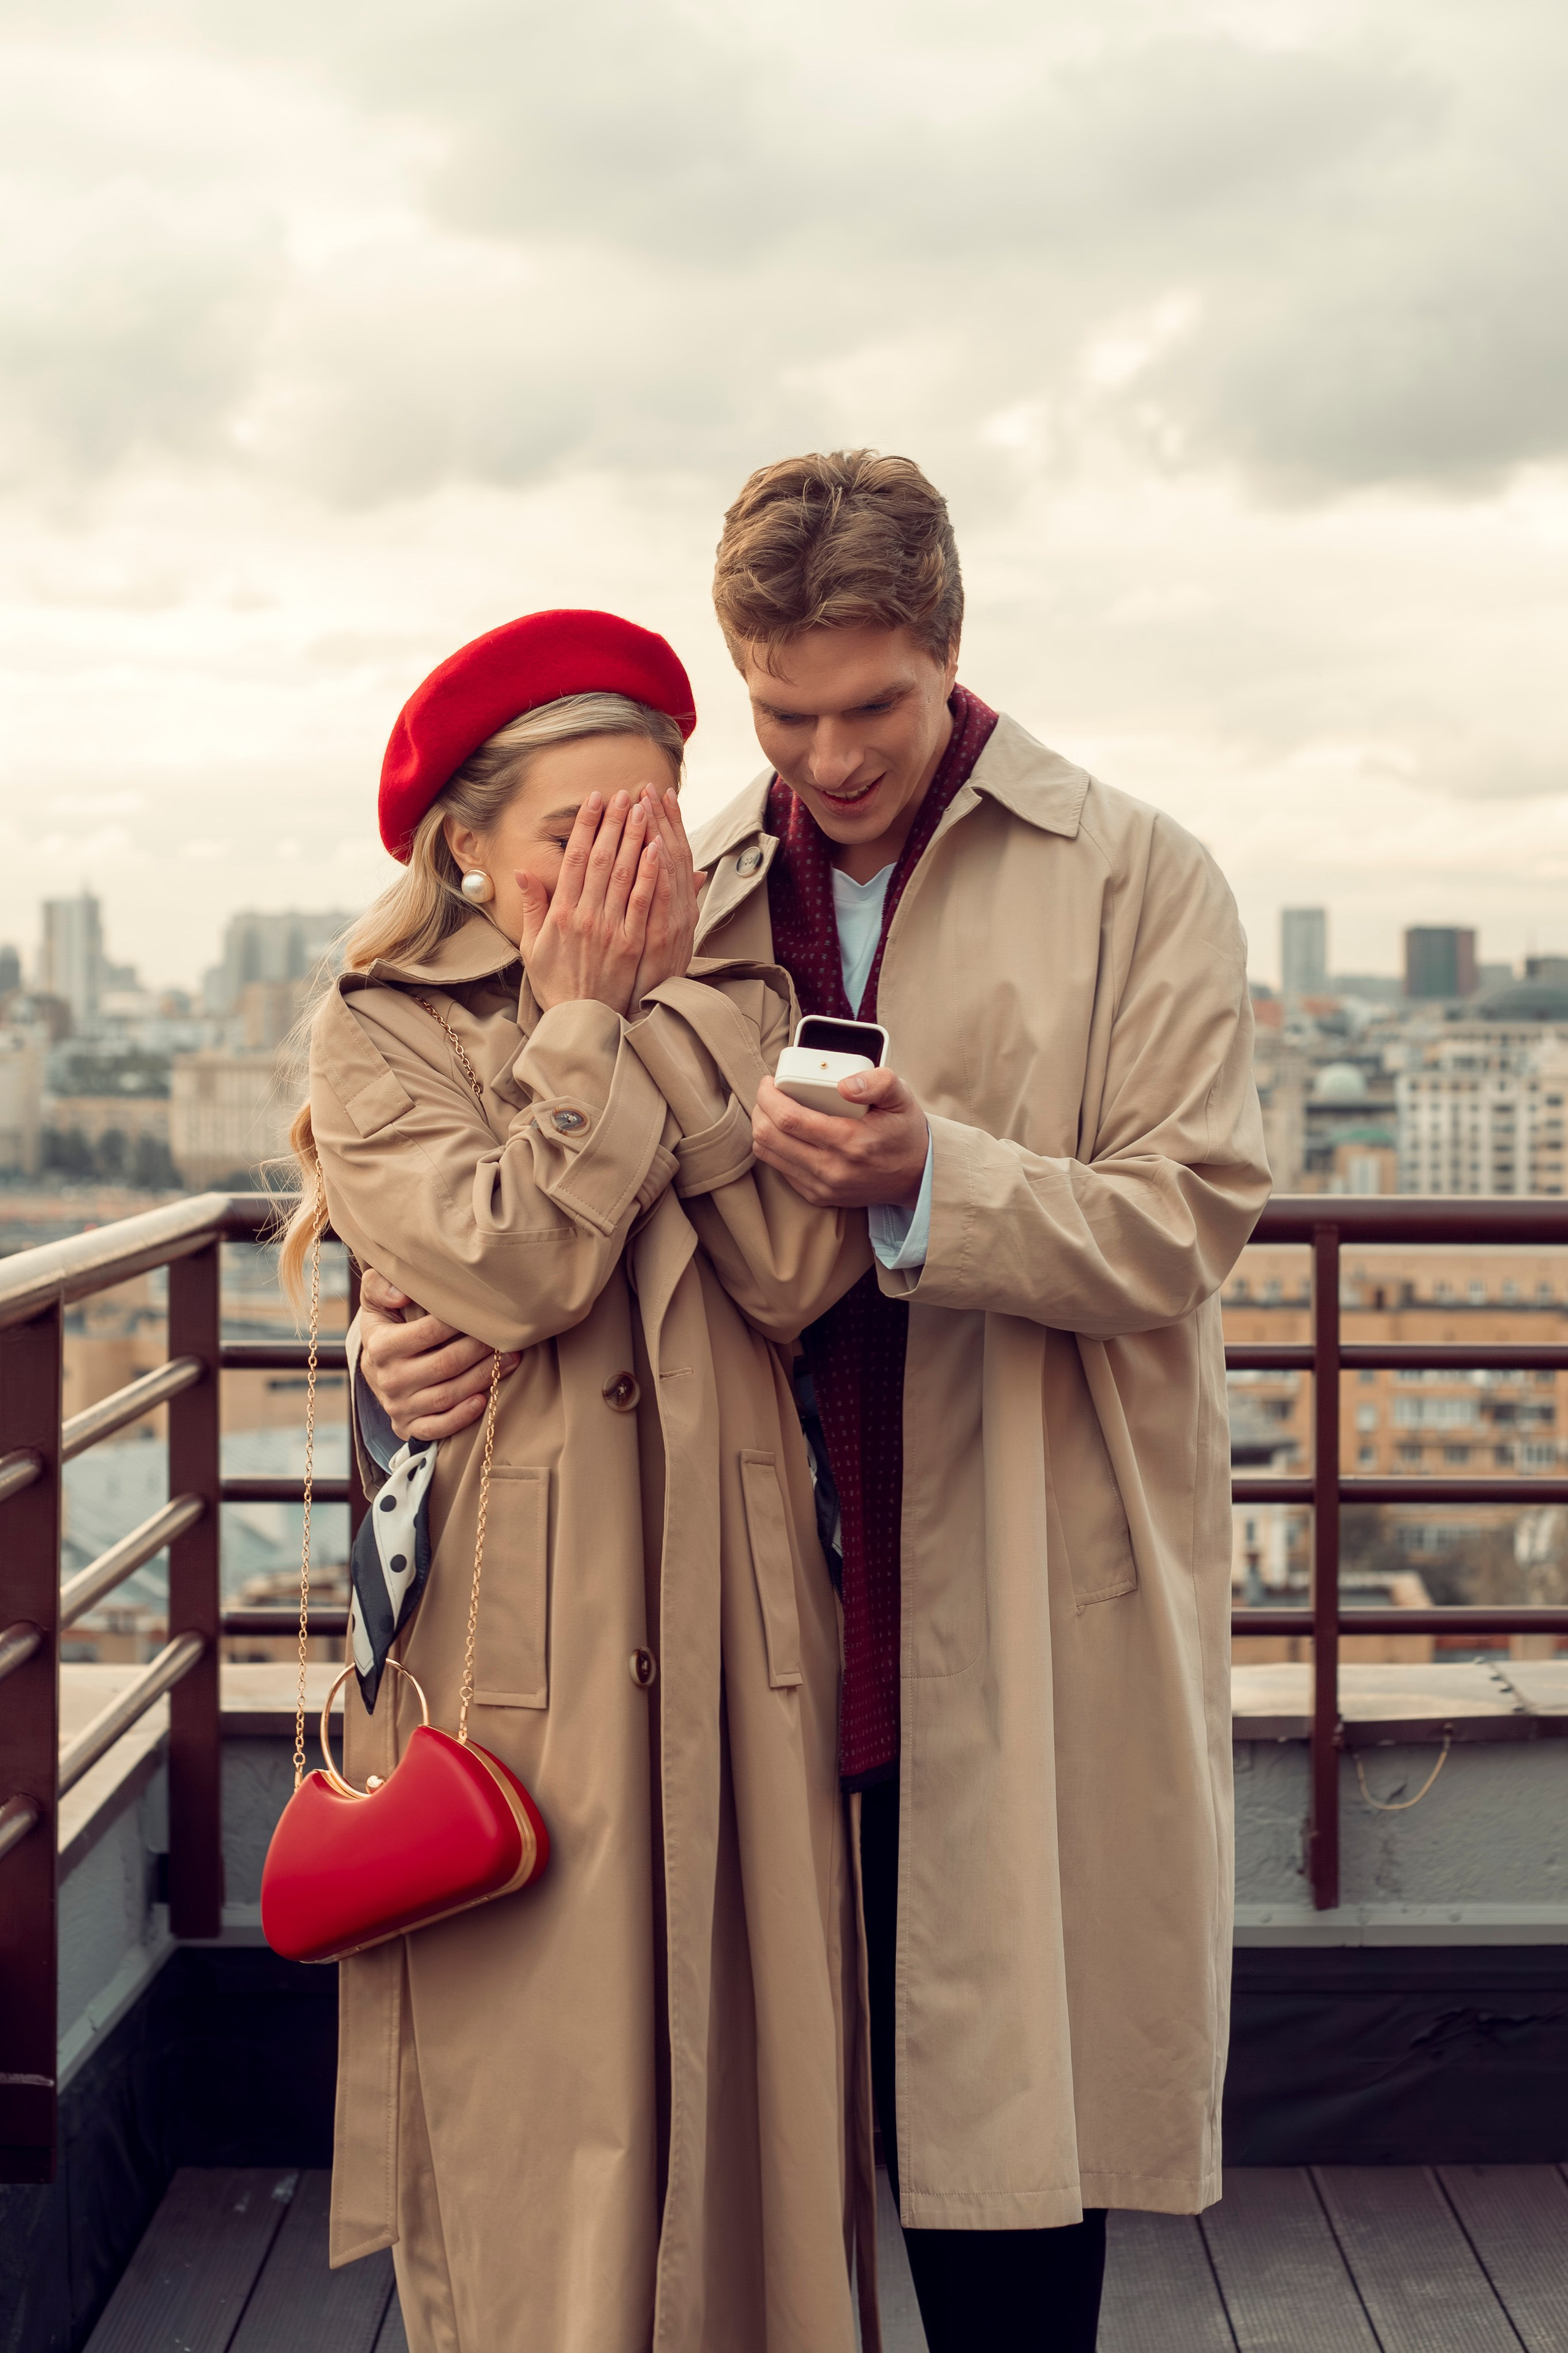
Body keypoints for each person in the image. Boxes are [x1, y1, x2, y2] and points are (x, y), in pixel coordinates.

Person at [355, 459, 1272, 2353]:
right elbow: (513, 1193)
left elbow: (1186, 1221)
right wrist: (392, 1335)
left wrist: (933, 1179)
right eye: (783, 715)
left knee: (1009, 2165)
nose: (830, 758)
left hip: (1015, 1602)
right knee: (748, 2164)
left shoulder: (1137, 876)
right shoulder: (678, 888)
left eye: (876, 708)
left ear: (952, 652)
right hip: (731, 1624)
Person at [281, 609, 879, 2353]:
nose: (623, 871)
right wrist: (577, 1026)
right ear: (464, 848)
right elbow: (520, 1265)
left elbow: (794, 1271)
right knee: (538, 2120)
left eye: (649, 827)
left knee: (755, 2104)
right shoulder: (380, 1033)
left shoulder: (752, 996)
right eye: (571, 836)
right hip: (508, 1659)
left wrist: (659, 1033)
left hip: (732, 1632)